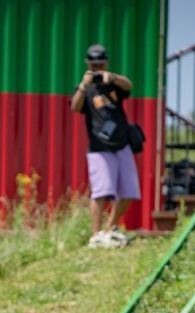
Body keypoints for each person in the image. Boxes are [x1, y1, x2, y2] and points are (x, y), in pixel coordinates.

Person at [71, 44, 140, 249]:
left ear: (107, 63)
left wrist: (113, 77)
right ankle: (96, 235)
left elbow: (129, 85)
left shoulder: (114, 83)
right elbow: (75, 107)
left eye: (100, 65)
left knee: (129, 191)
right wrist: (83, 87)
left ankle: (110, 229)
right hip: (99, 147)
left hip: (122, 144)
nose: (97, 69)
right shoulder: (86, 89)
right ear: (87, 65)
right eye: (94, 66)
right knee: (101, 192)